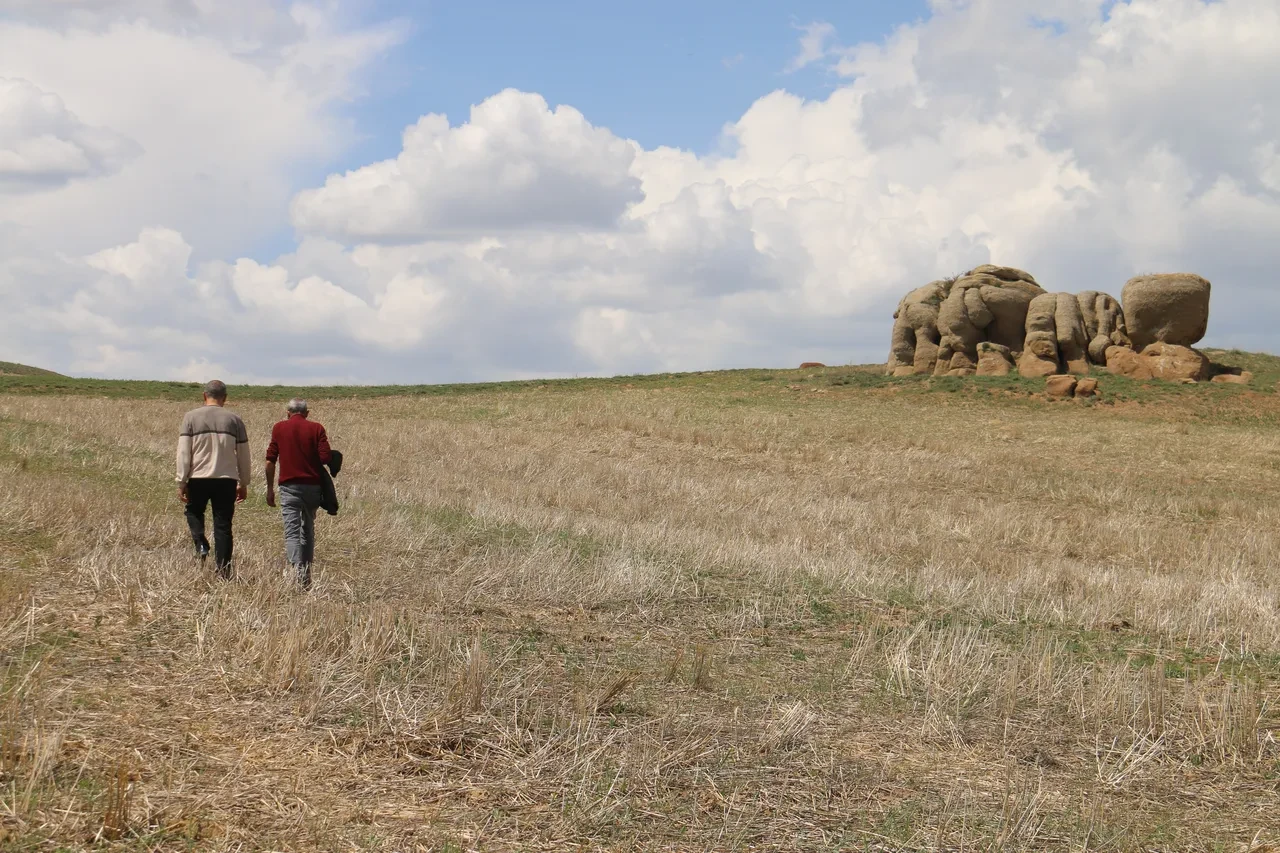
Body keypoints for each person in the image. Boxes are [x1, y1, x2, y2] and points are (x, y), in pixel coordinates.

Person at [176, 380, 250, 578]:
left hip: (198, 477)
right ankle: (224, 570)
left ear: (204, 395)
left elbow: (184, 452)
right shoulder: (235, 420)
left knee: (193, 512)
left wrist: (181, 481)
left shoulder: (190, 417)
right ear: (225, 398)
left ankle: (201, 543)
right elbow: (244, 454)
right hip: (226, 479)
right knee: (223, 524)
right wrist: (243, 482)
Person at [265, 398, 332, 590]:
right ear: (307, 413)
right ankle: (306, 576)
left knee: (292, 532)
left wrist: (270, 489)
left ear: (288, 413)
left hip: (289, 488)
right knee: (308, 529)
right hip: (312, 487)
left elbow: (270, 461)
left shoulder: (279, 428)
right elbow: (325, 457)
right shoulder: (317, 428)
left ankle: (296, 573)